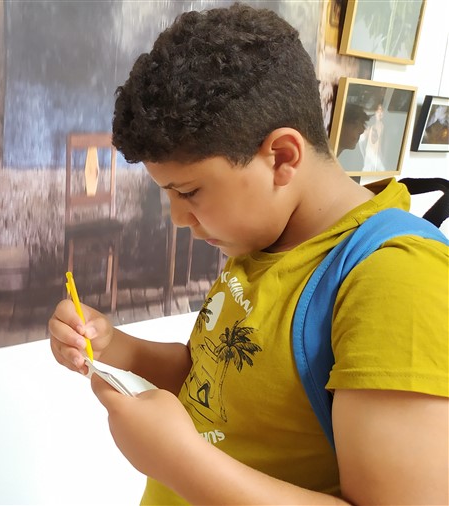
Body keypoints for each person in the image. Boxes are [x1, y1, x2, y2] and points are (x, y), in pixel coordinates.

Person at [48, 4, 447, 505]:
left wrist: (179, 462)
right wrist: (113, 347)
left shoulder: (398, 278)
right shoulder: (265, 240)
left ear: (281, 157)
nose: (177, 218)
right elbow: (217, 384)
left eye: (189, 192)